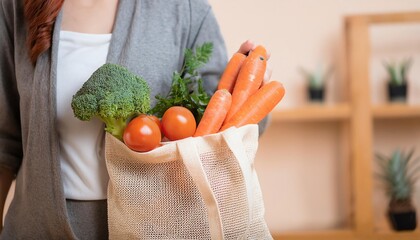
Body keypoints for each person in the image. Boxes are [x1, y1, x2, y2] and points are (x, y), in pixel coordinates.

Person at [0, 0, 269, 239]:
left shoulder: (184, 9)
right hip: (36, 229)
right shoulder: (13, 7)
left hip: (154, 228)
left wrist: (247, 91)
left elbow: (216, 128)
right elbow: (4, 142)